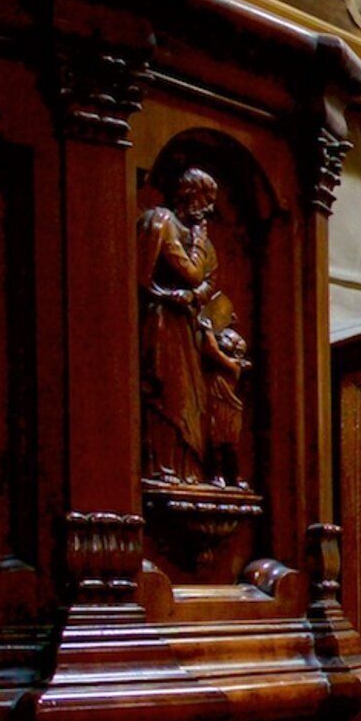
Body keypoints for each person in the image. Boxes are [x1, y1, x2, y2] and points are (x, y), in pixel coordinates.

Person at [137, 167, 252, 487]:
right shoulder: (161, 222)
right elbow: (191, 271)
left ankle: (187, 469)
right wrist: (198, 249)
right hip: (162, 322)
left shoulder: (205, 243)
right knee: (166, 393)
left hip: (188, 326)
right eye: (205, 199)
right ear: (189, 195)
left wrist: (191, 295)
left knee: (192, 401)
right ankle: (161, 468)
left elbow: (207, 284)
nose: (209, 209)